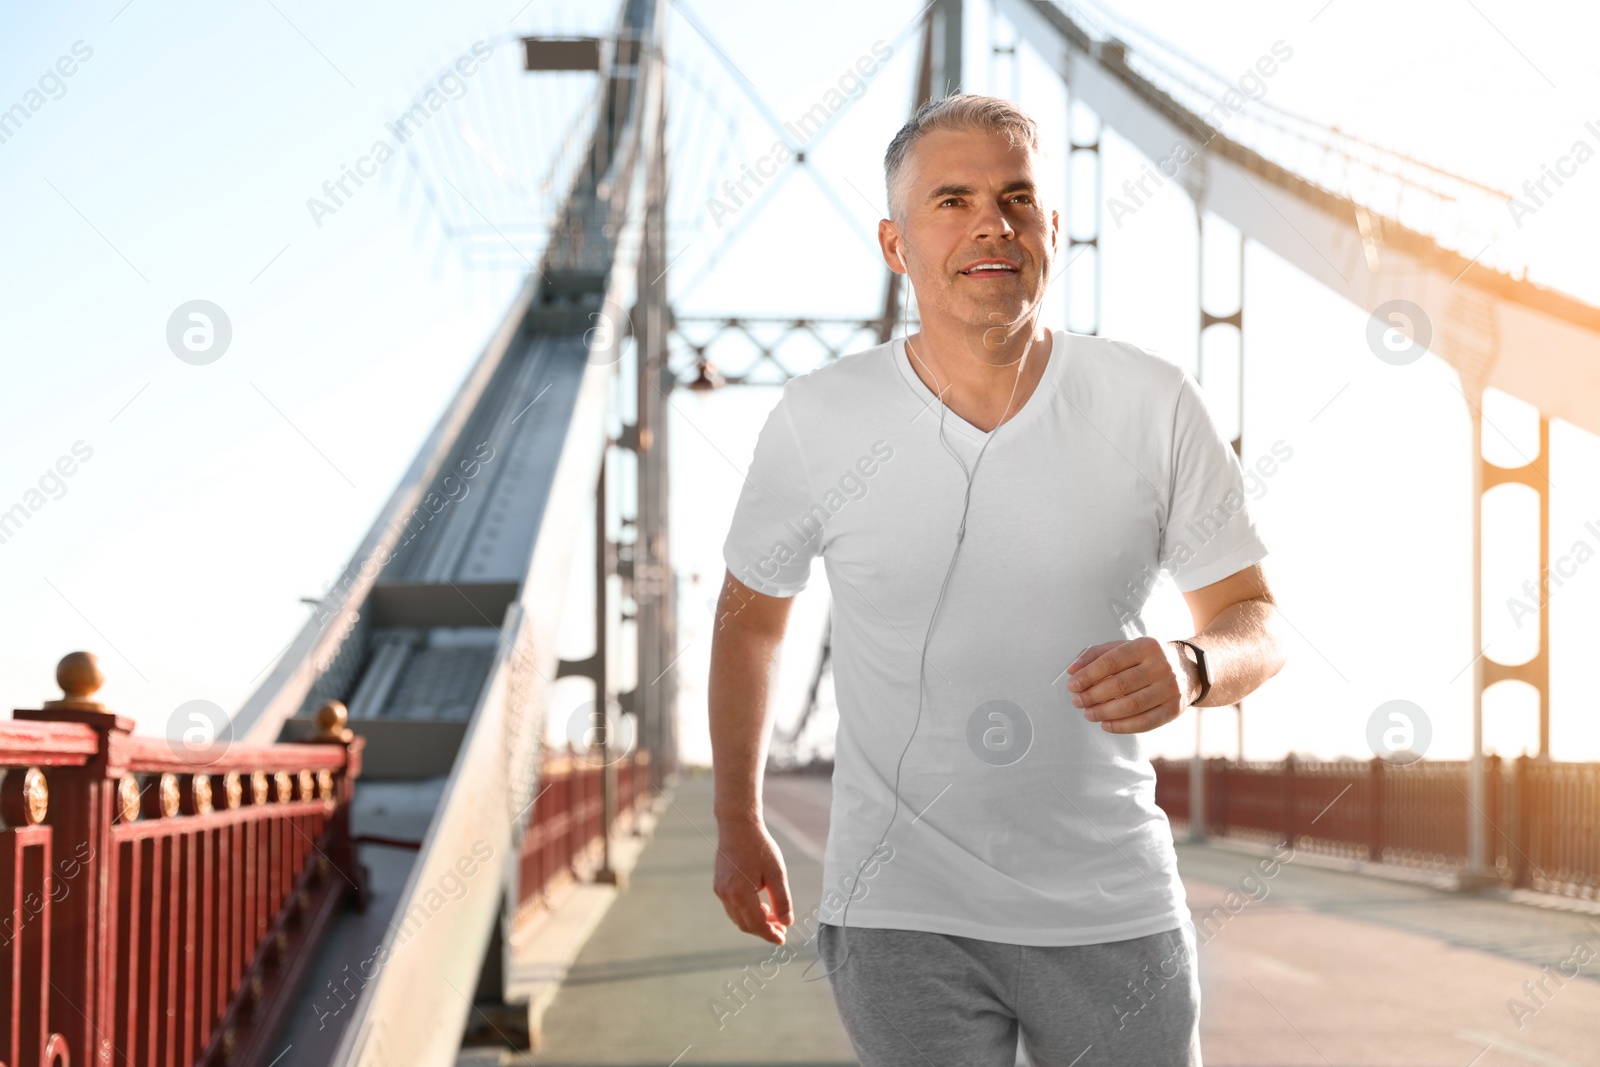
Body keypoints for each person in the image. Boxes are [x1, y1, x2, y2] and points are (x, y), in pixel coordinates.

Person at [708, 92, 1287, 1067]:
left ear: (1052, 231)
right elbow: (749, 619)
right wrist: (735, 817)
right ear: (895, 245)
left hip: (1112, 903)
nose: (993, 221)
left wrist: (1191, 664)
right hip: (898, 907)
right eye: (954, 199)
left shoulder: (1151, 402)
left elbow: (1255, 621)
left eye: (1017, 197)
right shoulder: (818, 419)